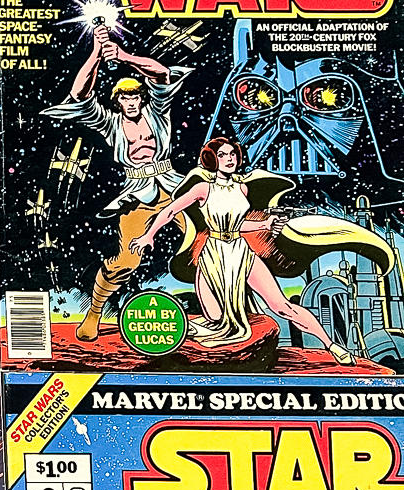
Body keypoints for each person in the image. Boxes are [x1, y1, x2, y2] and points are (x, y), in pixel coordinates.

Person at [129, 137, 388, 365]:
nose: (229, 159)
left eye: (232, 154)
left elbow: (238, 223)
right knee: (215, 319)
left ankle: (332, 346)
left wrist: (264, 224)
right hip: (213, 257)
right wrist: (148, 235)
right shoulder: (202, 188)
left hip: (241, 252)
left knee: (282, 306)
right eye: (223, 155)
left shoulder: (242, 188)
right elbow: (170, 210)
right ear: (212, 160)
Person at [43, 24, 191, 341]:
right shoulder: (110, 123)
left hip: (175, 186)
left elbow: (162, 73)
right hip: (138, 194)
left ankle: (232, 310)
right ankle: (94, 314)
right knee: (125, 261)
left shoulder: (157, 111)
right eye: (125, 97)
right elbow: (79, 94)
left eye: (135, 95)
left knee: (214, 236)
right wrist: (97, 53)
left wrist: (124, 56)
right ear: (117, 101)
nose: (131, 101)